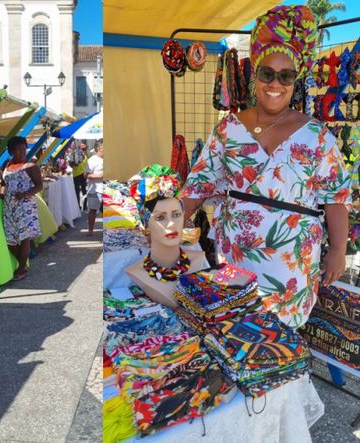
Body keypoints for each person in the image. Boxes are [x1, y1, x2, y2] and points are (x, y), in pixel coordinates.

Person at [181, 5, 351, 329]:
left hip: (292, 266)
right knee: (235, 332)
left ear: (295, 79)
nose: (276, 83)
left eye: (285, 76)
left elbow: (337, 196)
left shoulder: (317, 136)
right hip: (234, 256)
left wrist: (339, 250)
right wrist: (173, 220)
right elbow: (200, 184)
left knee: (280, 345)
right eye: (267, 73)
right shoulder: (228, 128)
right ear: (255, 75)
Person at [125, 168, 205, 307]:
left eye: (176, 215)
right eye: (160, 217)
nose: (171, 224)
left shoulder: (198, 259)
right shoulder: (136, 272)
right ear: (145, 222)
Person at [1, 136, 43, 281]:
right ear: (10, 151)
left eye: (24, 149)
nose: (22, 152)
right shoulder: (6, 165)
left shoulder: (31, 166)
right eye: (18, 150)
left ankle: (21, 267)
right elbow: (3, 183)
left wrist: (25, 194)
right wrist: (1, 190)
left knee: (24, 237)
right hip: (8, 206)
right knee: (10, 239)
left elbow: (39, 186)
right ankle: (23, 263)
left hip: (25, 206)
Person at [85, 143, 104, 236]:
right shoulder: (92, 160)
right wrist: (99, 176)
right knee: (93, 210)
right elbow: (86, 175)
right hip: (95, 190)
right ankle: (90, 230)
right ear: (98, 148)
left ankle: (107, 230)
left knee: (107, 211)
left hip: (107, 189)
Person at [70, 140, 88, 209]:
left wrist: (74, 163)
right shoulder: (85, 156)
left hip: (77, 174)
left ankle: (79, 206)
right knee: (83, 190)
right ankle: (84, 206)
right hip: (82, 174)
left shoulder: (78, 155)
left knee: (78, 191)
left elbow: (72, 164)